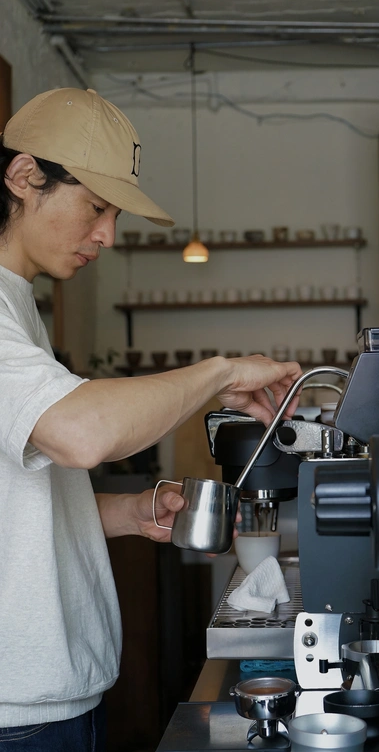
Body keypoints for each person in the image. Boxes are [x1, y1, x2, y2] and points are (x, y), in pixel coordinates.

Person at [0, 87, 302, 750]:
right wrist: (221, 372)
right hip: (15, 713)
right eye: (96, 207)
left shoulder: (19, 306)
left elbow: (17, 501)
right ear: (24, 176)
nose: (107, 235)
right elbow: (81, 434)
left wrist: (129, 512)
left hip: (52, 697)